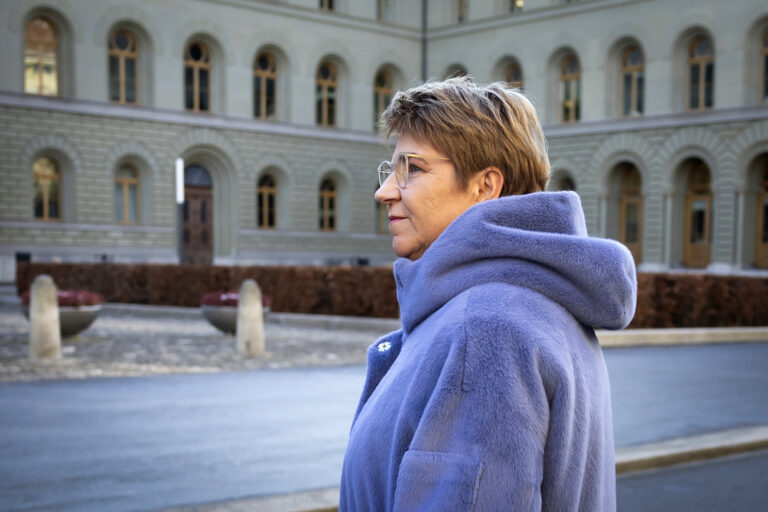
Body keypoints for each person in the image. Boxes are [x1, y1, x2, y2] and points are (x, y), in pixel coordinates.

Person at [339, 77, 636, 511]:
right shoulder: (528, 305)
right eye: (391, 169)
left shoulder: (485, 331)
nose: (384, 192)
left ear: (485, 185)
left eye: (413, 168)